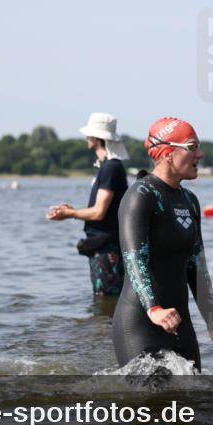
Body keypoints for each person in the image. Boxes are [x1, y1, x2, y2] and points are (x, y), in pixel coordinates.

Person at [112, 116, 213, 370]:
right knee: (148, 395)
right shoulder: (140, 196)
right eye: (191, 147)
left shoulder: (190, 201)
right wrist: (154, 308)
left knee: (194, 393)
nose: (200, 154)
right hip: (142, 322)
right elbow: (134, 259)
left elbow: (197, 268)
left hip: (179, 323)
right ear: (167, 154)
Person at [47, 113, 129, 296]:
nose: (86, 138)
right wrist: (72, 211)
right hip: (106, 245)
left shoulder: (110, 168)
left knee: (107, 298)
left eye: (89, 134)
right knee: (106, 299)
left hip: (108, 247)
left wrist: (69, 214)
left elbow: (99, 212)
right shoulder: (108, 167)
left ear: (97, 138)